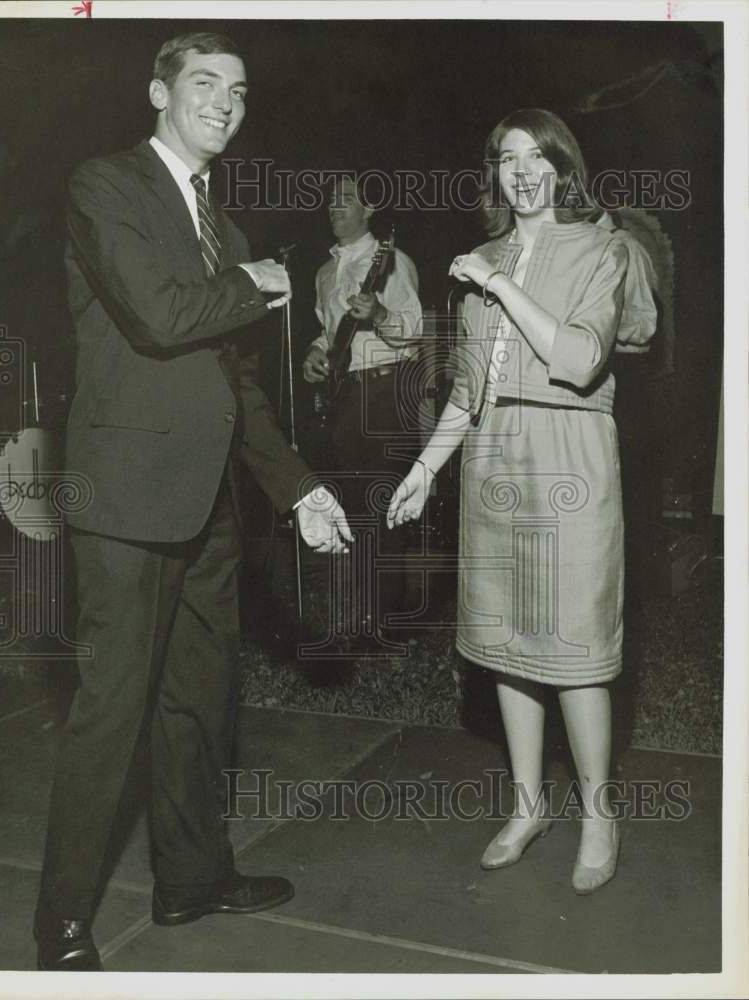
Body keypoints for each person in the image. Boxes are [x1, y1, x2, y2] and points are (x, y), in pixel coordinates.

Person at [35, 31, 352, 971]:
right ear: (158, 93)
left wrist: (297, 488)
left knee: (198, 705)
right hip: (126, 502)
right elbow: (158, 314)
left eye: (240, 90)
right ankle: (59, 923)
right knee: (112, 711)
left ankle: (190, 879)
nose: (225, 101)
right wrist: (248, 286)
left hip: (210, 505)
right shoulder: (106, 186)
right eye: (204, 83)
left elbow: (237, 390)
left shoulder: (231, 231)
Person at [388, 109, 639, 894]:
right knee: (507, 644)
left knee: (572, 649)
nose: (521, 171)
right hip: (496, 458)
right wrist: (426, 469)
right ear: (493, 172)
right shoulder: (482, 257)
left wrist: (497, 281)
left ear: (562, 166)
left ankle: (599, 815)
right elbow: (469, 391)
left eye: (536, 156)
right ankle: (528, 804)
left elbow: (575, 358)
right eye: (505, 158)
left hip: (569, 457)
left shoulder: (604, 248)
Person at [302, 176, 423, 648]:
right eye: (330, 202)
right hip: (345, 397)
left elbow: (412, 331)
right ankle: (362, 616)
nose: (334, 208)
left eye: (345, 201)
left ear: (368, 209)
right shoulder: (324, 273)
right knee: (352, 506)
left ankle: (388, 625)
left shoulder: (391, 262)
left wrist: (378, 317)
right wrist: (314, 355)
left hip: (386, 393)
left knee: (387, 507)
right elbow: (326, 332)